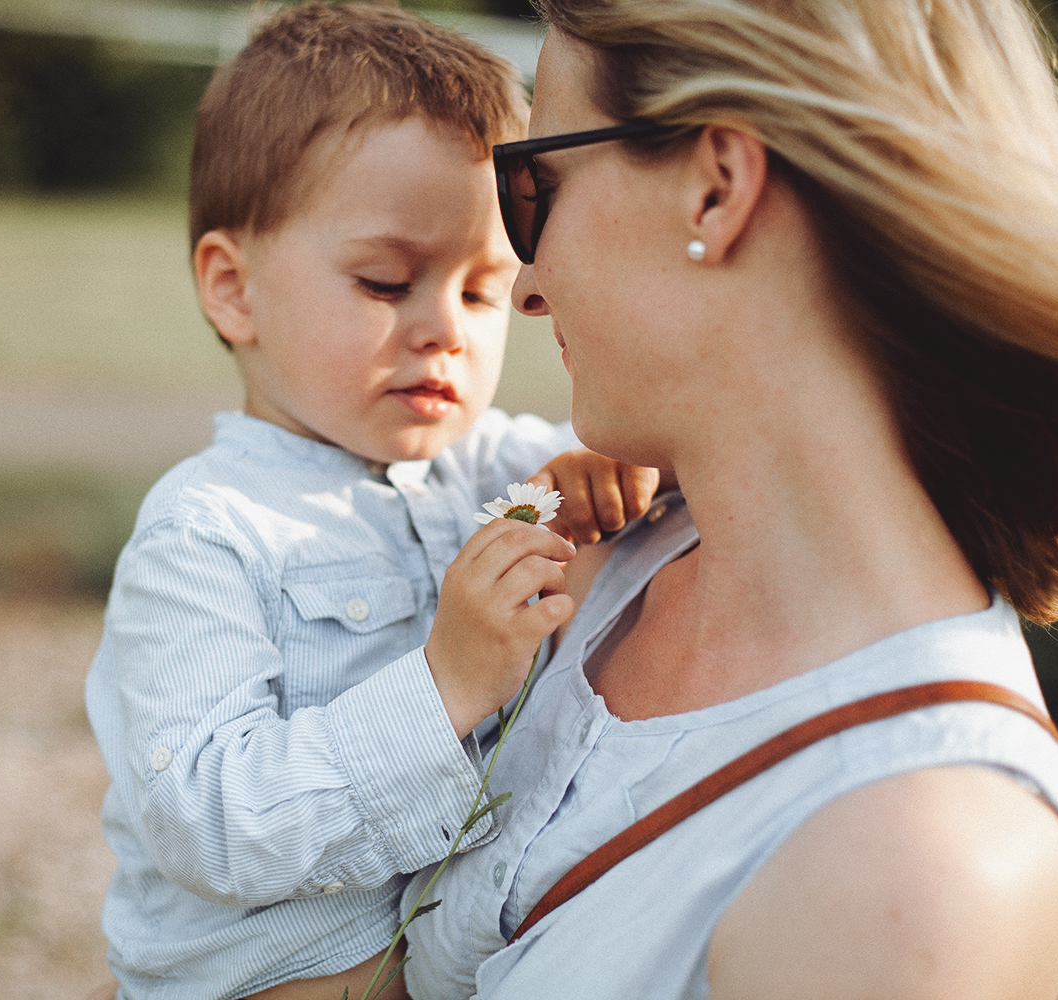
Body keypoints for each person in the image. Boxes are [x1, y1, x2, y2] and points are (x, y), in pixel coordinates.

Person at [403, 0, 1058, 997]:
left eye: (534, 187)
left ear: (716, 189)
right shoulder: (596, 558)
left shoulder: (915, 867)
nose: (527, 282)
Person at [83, 5, 658, 999]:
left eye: (483, 292)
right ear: (234, 290)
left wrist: (595, 470)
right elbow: (204, 818)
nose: (445, 328)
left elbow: (599, 465)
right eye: (387, 279)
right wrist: (443, 689)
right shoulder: (207, 532)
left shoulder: (481, 466)